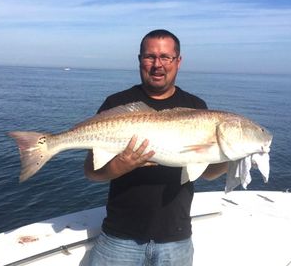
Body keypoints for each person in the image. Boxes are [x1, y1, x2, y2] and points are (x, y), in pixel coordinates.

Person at [84, 29, 228, 266]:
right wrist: (119, 166)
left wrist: (232, 153)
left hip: (176, 238)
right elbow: (91, 172)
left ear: (178, 61)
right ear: (139, 59)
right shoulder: (116, 103)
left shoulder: (197, 108)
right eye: (150, 56)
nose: (157, 64)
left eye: (165, 57)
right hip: (119, 237)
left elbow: (210, 172)